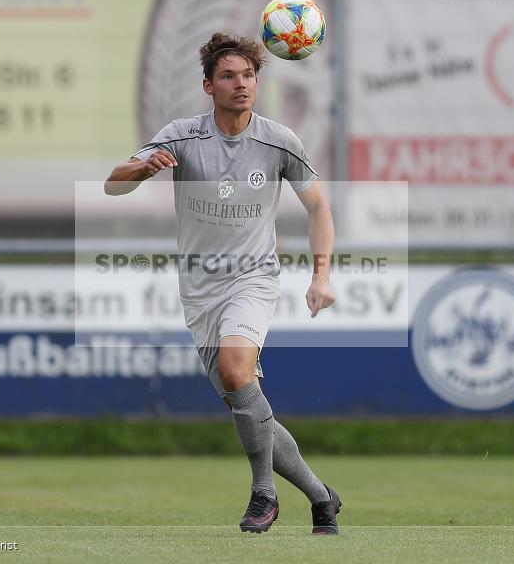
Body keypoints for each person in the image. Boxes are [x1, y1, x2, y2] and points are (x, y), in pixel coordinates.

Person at [104, 32, 341, 535]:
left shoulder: (279, 141)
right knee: (245, 401)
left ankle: (263, 495)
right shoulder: (182, 136)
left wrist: (321, 274)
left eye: (249, 75)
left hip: (254, 278)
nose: (241, 84)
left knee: (237, 373)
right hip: (200, 289)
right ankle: (322, 497)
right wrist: (144, 168)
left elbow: (319, 206)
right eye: (229, 76)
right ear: (208, 85)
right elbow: (113, 183)